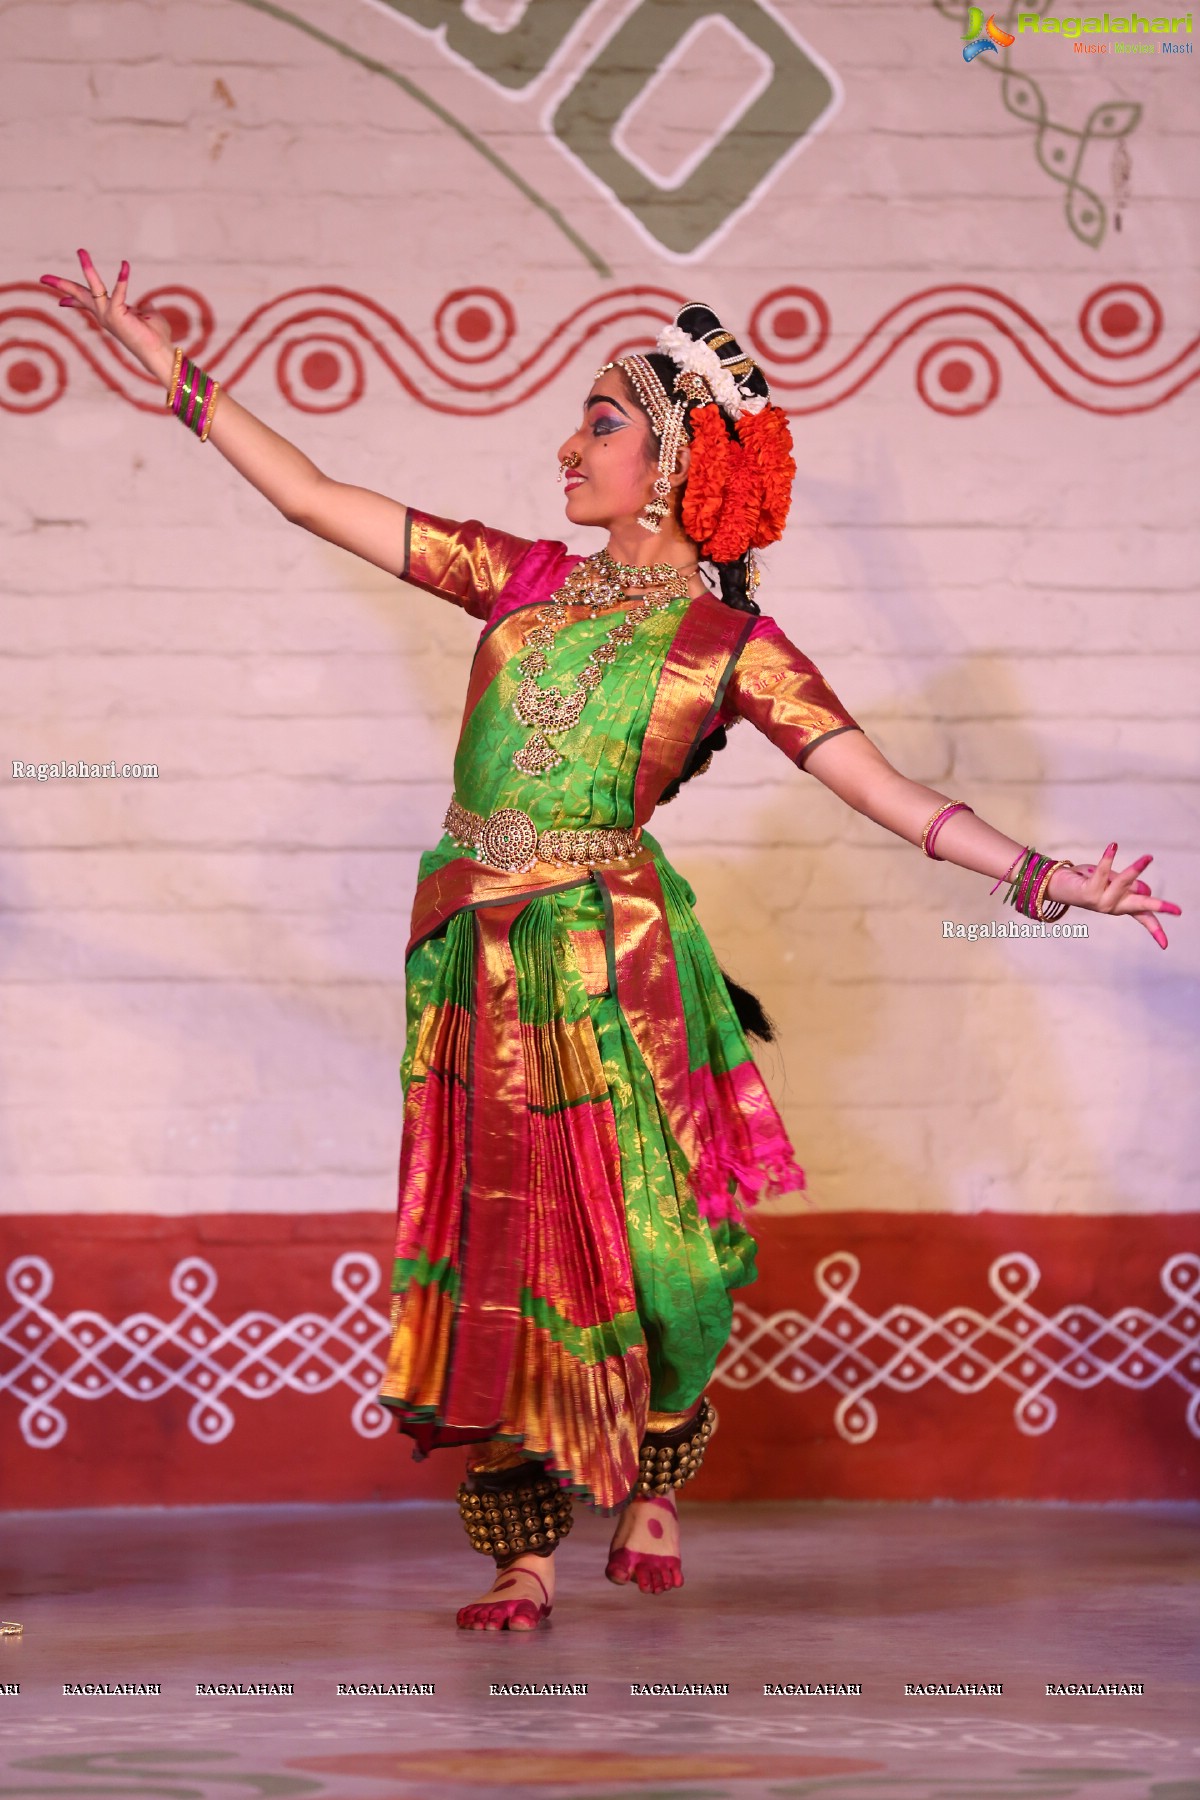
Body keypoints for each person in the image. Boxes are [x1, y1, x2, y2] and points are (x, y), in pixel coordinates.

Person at [40, 251, 1182, 1635]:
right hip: (476, 955)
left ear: (677, 464)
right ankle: (520, 1554)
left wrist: (1047, 876)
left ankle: (655, 1461)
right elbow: (312, 497)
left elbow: (886, 791)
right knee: (507, 1254)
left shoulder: (728, 646)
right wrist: (181, 379)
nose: (565, 446)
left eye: (598, 422)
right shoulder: (515, 577)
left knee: (670, 1255)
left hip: (617, 961)